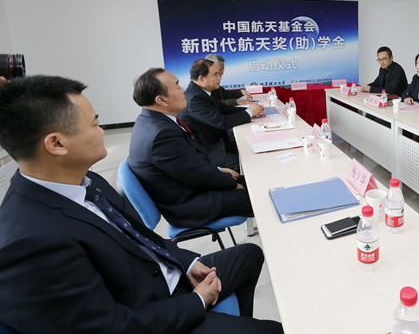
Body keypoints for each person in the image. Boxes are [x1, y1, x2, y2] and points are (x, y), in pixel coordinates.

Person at [0, 75, 282, 334]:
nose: (103, 132)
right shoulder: (31, 240)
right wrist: (196, 302)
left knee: (248, 255)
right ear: (57, 144)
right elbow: (109, 327)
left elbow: (140, 235)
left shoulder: (87, 180)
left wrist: (187, 263)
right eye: (95, 124)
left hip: (164, 277)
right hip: (150, 314)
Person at [129, 68, 254, 229]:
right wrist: (231, 184)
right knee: (261, 196)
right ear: (161, 100)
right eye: (177, 86)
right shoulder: (161, 134)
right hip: (190, 204)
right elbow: (197, 174)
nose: (183, 90)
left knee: (256, 180)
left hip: (190, 187)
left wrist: (217, 170)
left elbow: (188, 166)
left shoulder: (152, 121)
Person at [179, 59, 264, 169]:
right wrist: (250, 112)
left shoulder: (206, 90)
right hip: (211, 152)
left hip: (221, 141)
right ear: (201, 79)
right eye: (215, 74)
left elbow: (224, 109)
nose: (219, 77)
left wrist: (251, 110)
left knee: (256, 147)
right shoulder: (195, 98)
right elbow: (222, 122)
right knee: (253, 163)